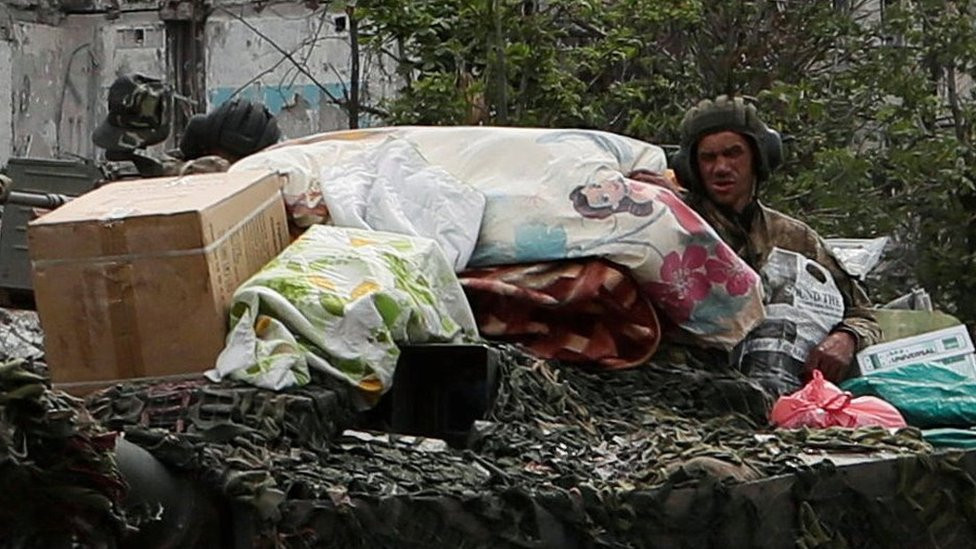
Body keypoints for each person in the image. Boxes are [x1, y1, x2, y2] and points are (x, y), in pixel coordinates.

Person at [630, 95, 881, 382]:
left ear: (759, 157)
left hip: (777, 384)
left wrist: (846, 337)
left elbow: (863, 314)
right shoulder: (670, 220)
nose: (721, 167)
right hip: (685, 379)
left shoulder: (794, 238)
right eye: (708, 158)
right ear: (692, 167)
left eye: (733, 153)